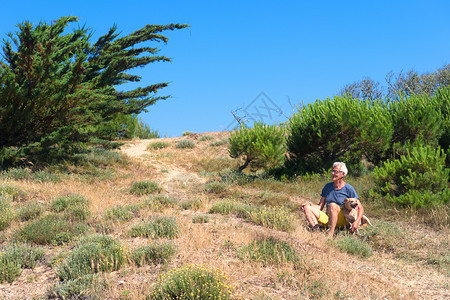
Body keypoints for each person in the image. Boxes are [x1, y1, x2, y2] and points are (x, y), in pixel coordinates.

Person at [301, 162, 364, 237]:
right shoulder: (327, 187)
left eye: (335, 172)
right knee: (307, 208)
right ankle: (318, 232)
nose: (333, 173)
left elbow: (360, 208)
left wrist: (356, 222)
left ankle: (330, 235)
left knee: (332, 205)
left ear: (343, 174)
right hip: (329, 217)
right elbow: (320, 206)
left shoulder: (349, 188)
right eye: (332, 171)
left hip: (343, 219)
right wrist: (309, 205)